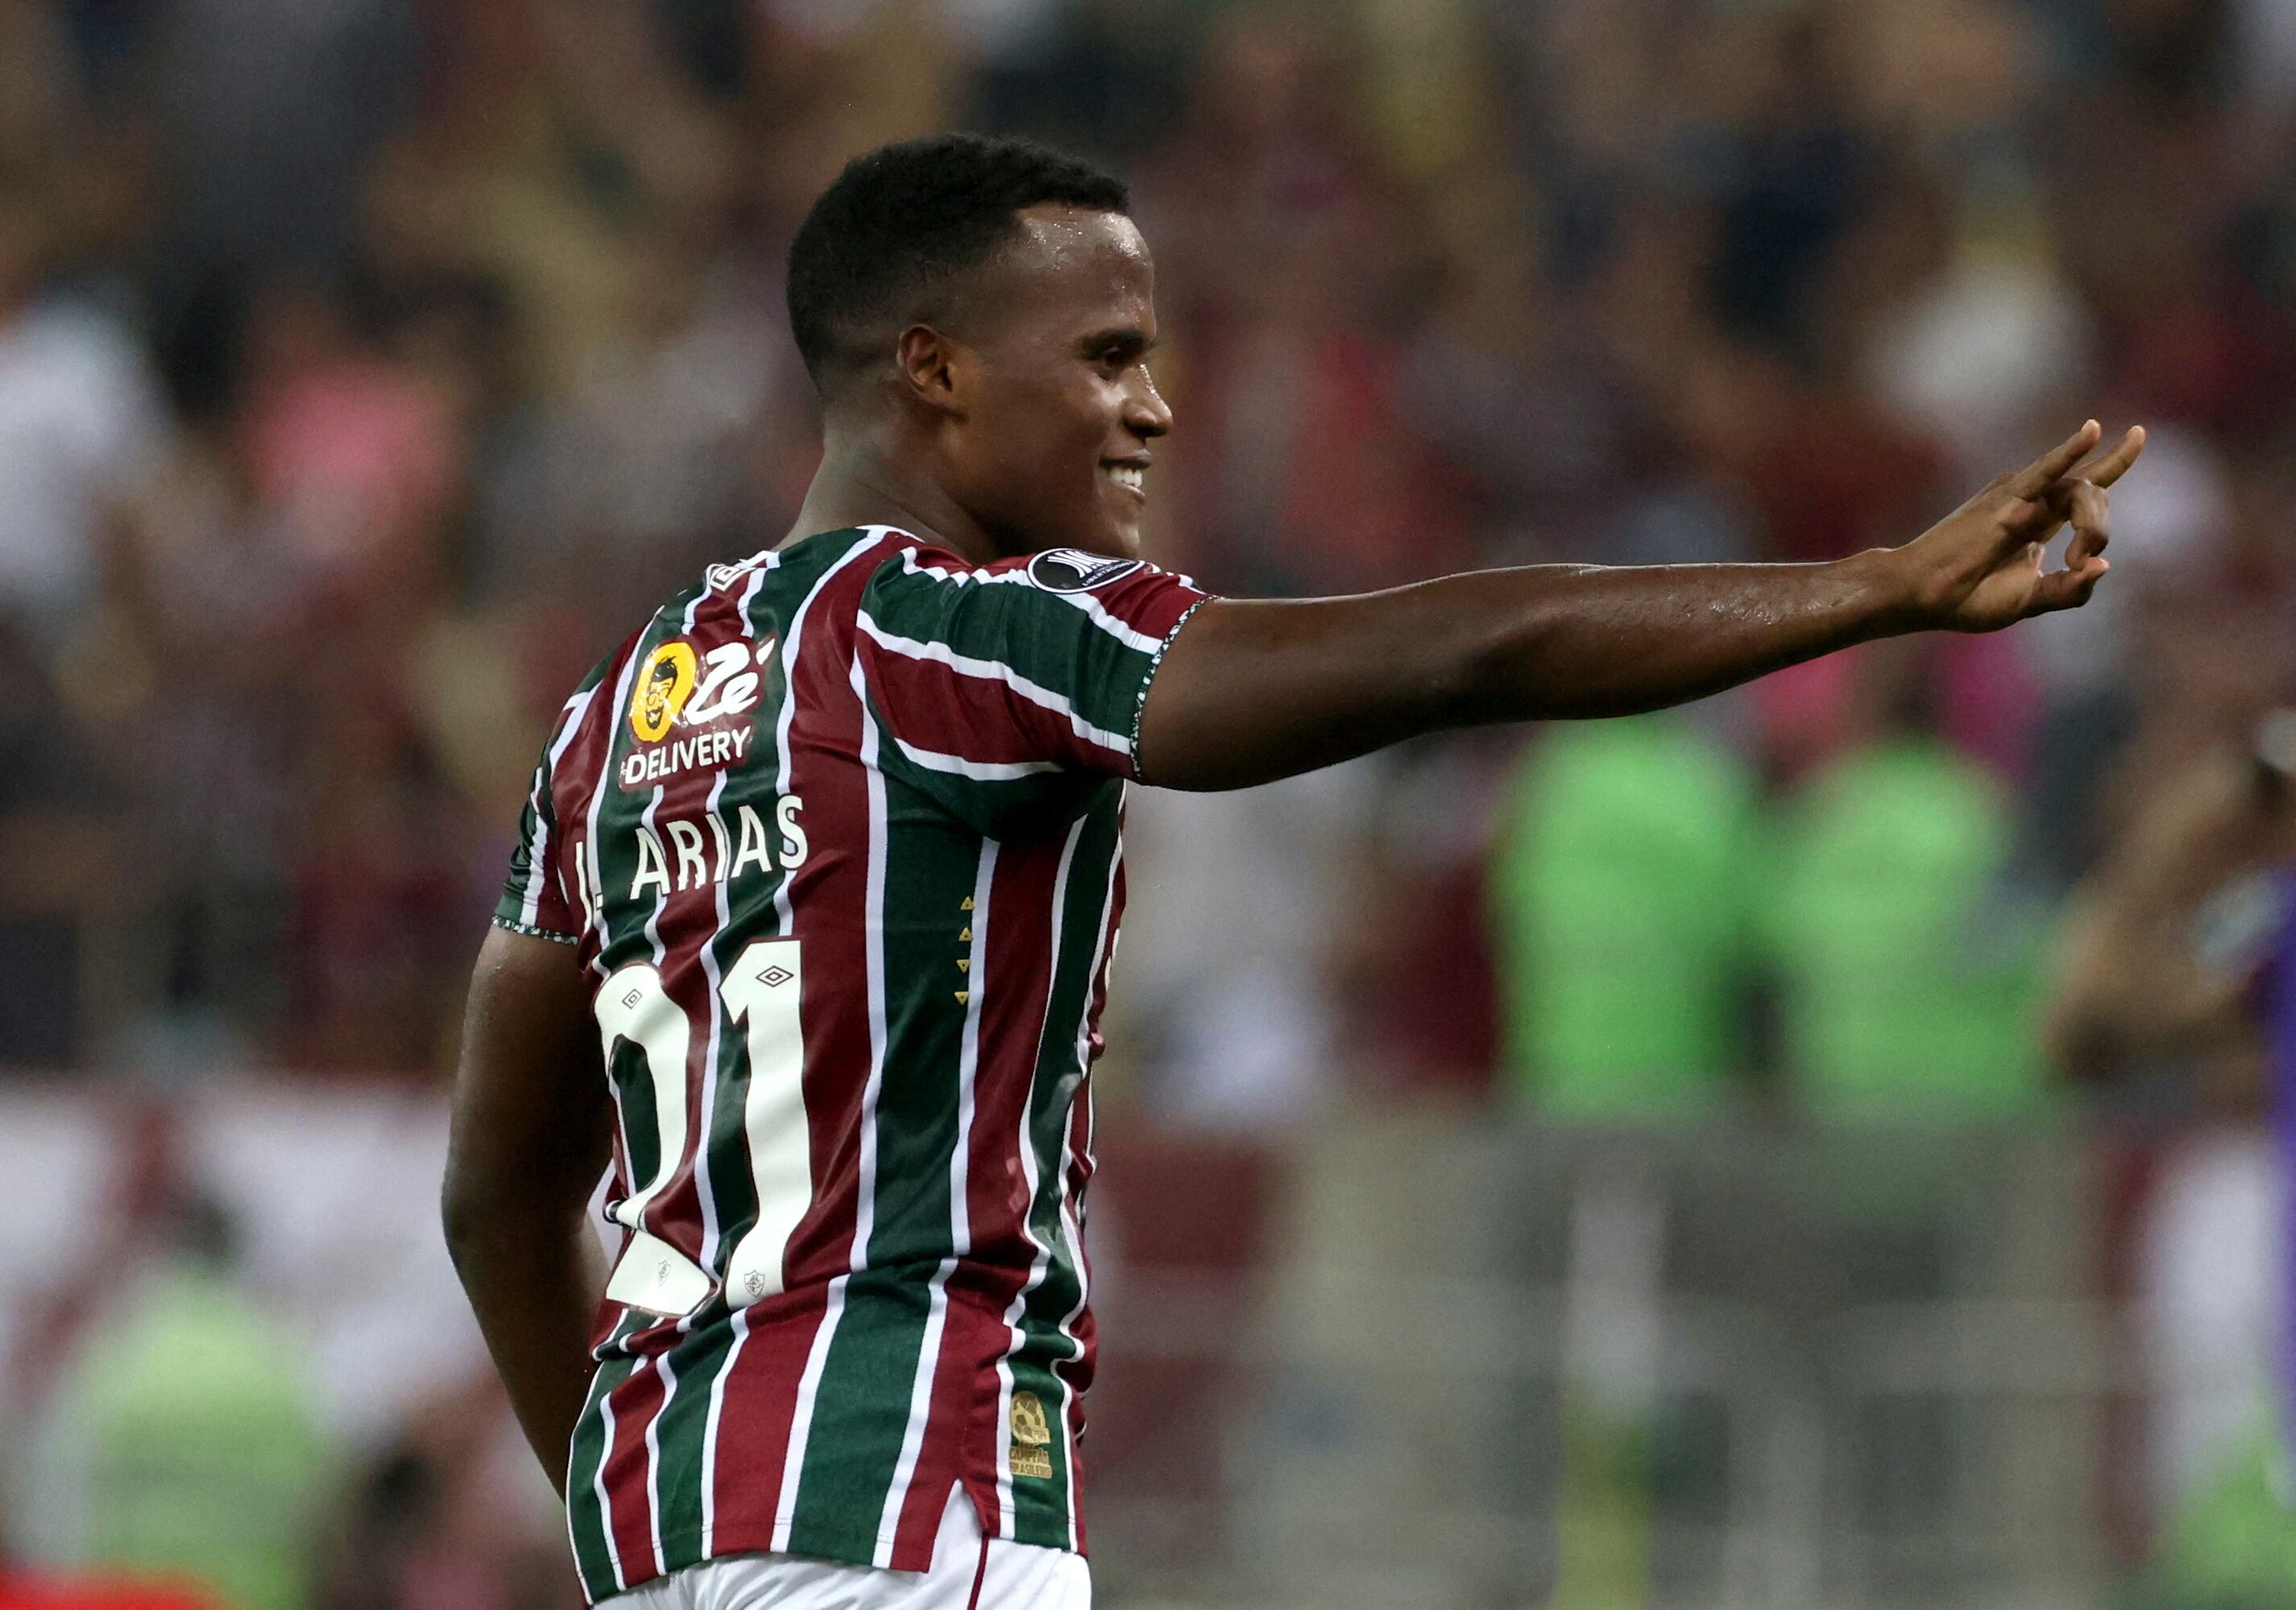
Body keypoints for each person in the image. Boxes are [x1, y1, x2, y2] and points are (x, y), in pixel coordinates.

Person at [441, 134, 2141, 1608]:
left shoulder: (614, 714)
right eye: (1107, 355)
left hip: (672, 1528)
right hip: (904, 1501)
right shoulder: (964, 635)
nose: (1153, 405)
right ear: (936, 370)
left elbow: (498, 1187)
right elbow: (1468, 650)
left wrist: (645, 1488)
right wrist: (1875, 588)